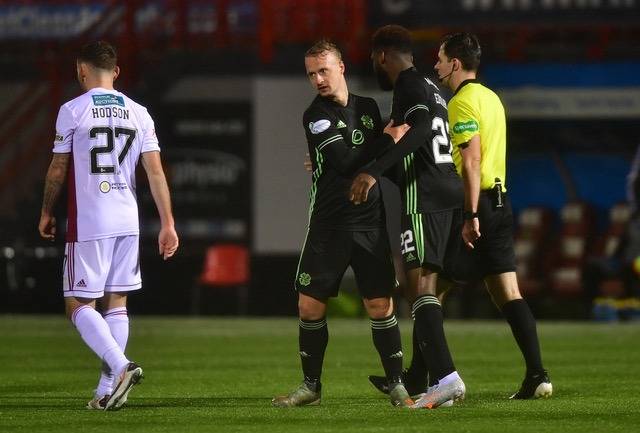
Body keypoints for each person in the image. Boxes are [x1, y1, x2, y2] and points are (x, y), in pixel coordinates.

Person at [271, 40, 413, 408]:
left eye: (323, 70)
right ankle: (311, 387)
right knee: (309, 307)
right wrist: (386, 138)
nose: (318, 79)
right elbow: (348, 163)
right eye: (311, 74)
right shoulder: (314, 114)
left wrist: (382, 142)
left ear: (342, 68)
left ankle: (397, 384)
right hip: (328, 225)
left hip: (370, 223)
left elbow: (372, 158)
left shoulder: (367, 107)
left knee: (380, 306)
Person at [38, 41, 179, 410]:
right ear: (116, 72)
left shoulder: (73, 110)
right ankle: (105, 391)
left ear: (81, 70)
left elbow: (58, 168)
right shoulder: (139, 113)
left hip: (91, 219)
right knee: (117, 304)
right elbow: (155, 173)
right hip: (127, 219)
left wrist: (46, 211)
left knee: (78, 304)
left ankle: (121, 367)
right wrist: (168, 224)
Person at [350, 25, 467, 409]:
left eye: (373, 59)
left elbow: (415, 133)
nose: (374, 65)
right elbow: (396, 131)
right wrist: (365, 160)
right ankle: (429, 379)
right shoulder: (430, 86)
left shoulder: (408, 85)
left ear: (382, 55)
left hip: (426, 194)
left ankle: (447, 378)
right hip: (450, 189)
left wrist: (374, 171)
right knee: (428, 290)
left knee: (420, 290)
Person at [433, 32, 552, 399]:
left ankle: (429, 378)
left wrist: (469, 215)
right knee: (508, 292)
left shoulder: (461, 102)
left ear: (455, 63)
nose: (436, 66)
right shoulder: (492, 98)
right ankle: (538, 375)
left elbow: (471, 161)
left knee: (429, 290)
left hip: (477, 206)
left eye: (439, 59)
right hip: (501, 202)